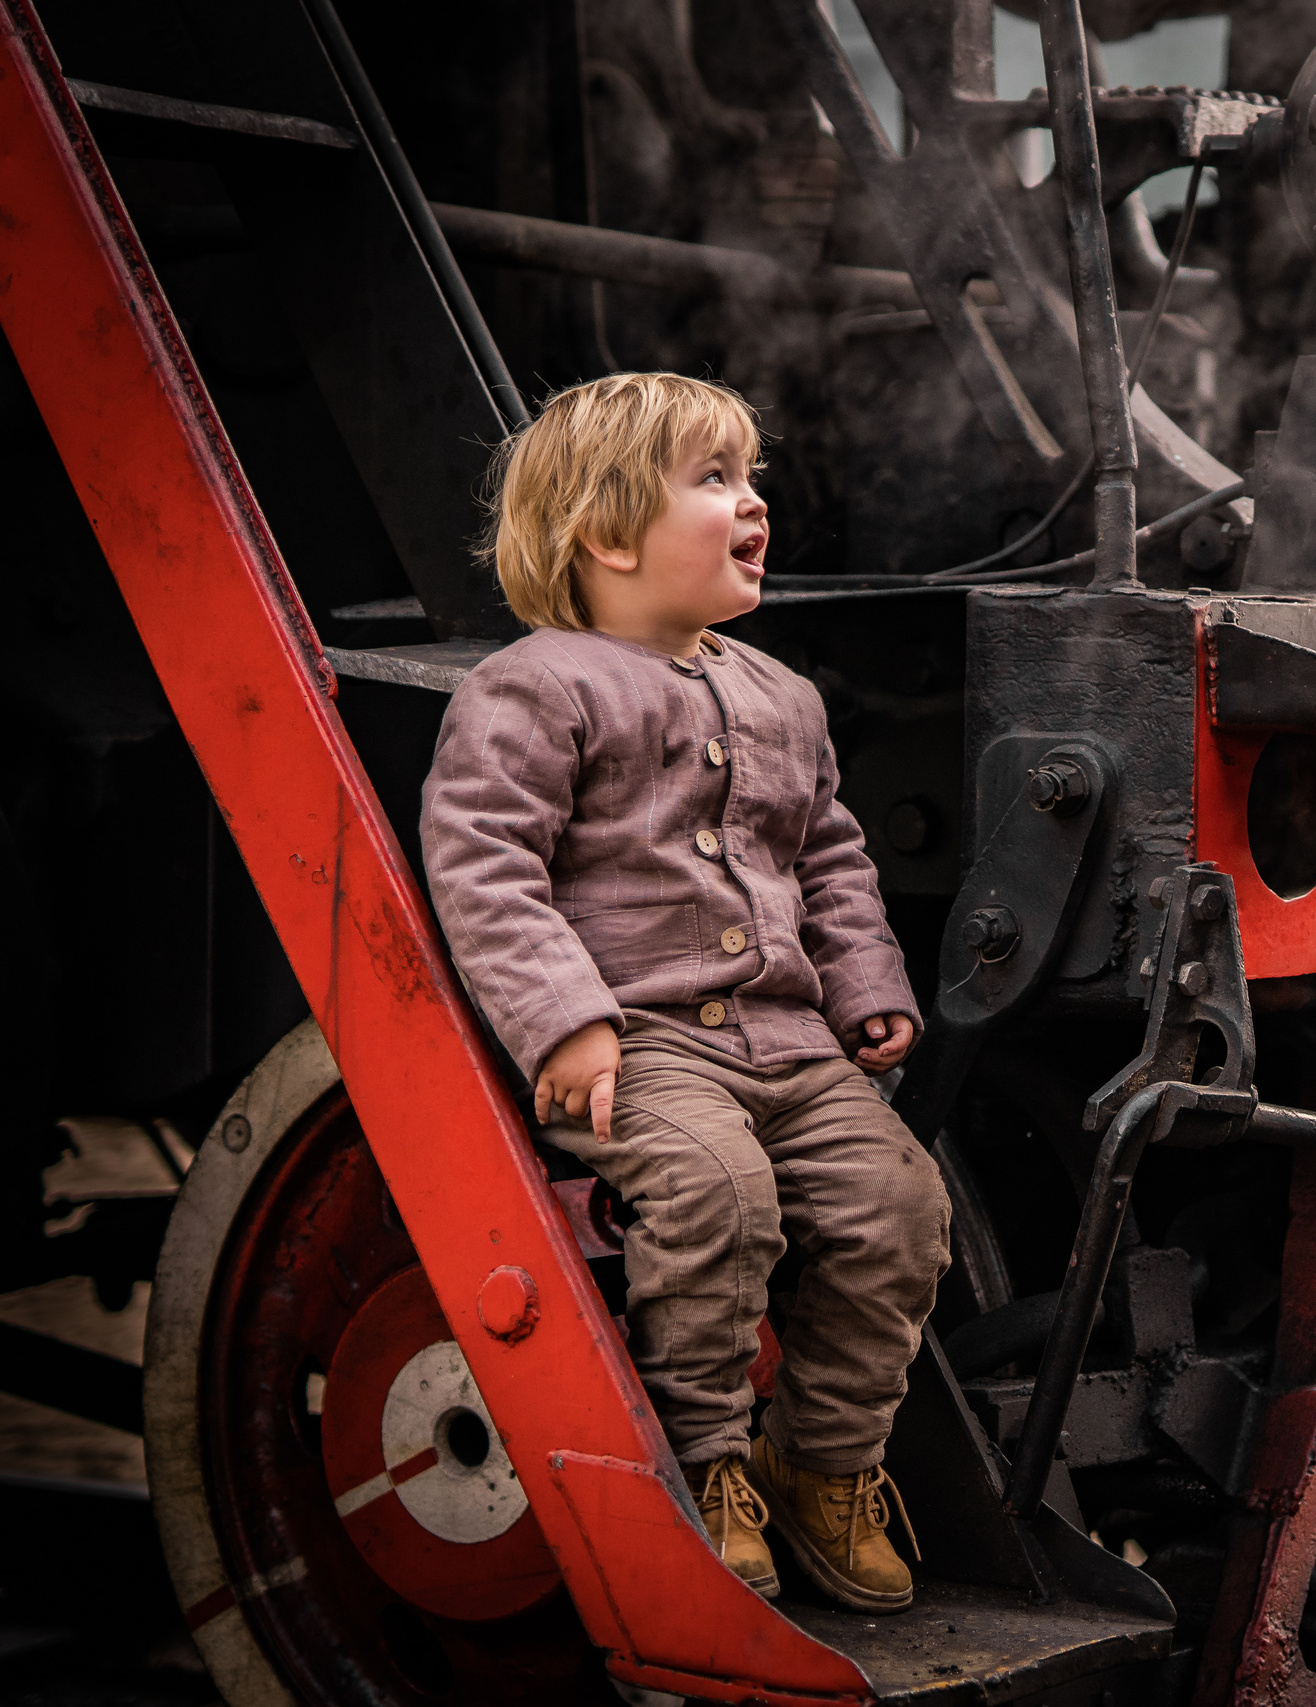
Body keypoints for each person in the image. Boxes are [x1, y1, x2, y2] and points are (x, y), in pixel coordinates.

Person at [421, 372, 947, 1612]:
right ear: (606, 534)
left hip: (788, 1041)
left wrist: (865, 982)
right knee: (716, 1198)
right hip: (643, 1044)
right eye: (714, 482)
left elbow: (829, 856)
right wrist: (568, 1023)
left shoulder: (784, 697)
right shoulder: (537, 686)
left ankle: (823, 1466)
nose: (753, 503)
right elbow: (485, 860)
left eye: (750, 478)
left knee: (897, 1207)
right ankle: (704, 1468)